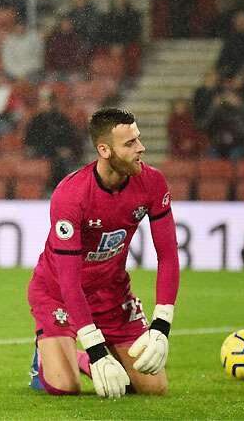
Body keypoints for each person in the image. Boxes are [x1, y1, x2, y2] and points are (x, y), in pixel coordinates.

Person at [27, 108, 179, 398]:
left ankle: (80, 356)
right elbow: (69, 279)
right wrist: (95, 350)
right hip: (58, 293)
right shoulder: (71, 195)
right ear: (104, 150)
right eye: (130, 143)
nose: (141, 148)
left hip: (113, 295)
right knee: (65, 388)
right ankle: (59, 358)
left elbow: (168, 255)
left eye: (138, 139)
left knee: (154, 387)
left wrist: (161, 325)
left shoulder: (152, 182)